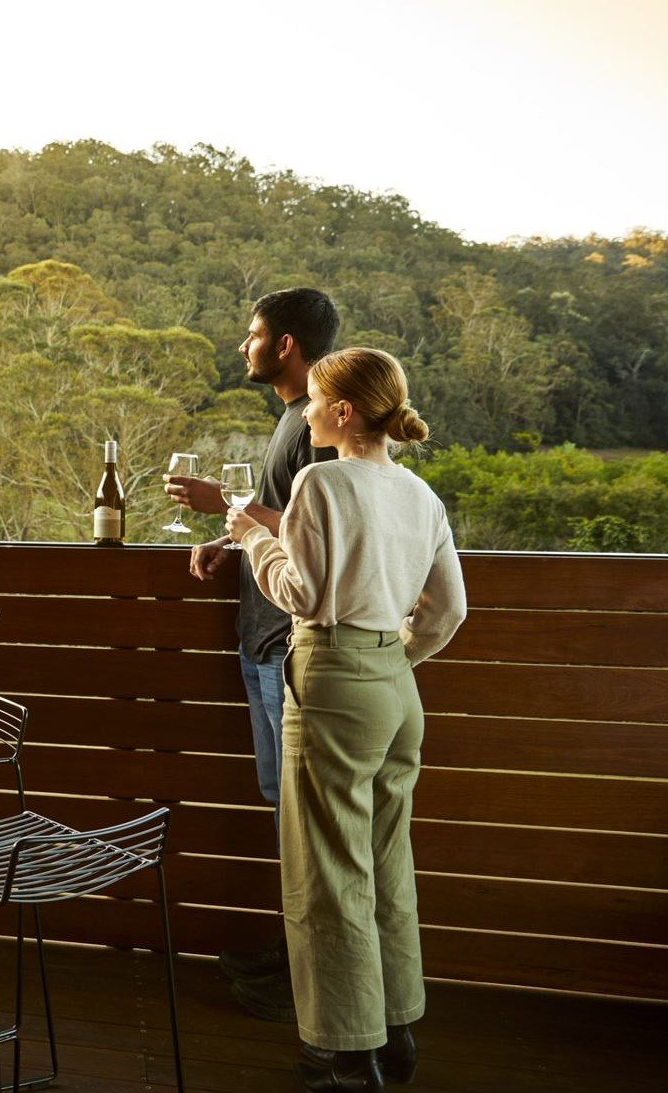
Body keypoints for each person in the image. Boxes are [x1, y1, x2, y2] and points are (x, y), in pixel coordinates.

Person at [225, 347, 466, 1092]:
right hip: (396, 689)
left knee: (326, 873)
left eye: (312, 401)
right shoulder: (419, 494)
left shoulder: (320, 480)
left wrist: (248, 535)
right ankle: (396, 1034)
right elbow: (450, 609)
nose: (302, 413)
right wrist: (394, 656)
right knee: (386, 864)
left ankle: (347, 1055)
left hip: (332, 679)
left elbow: (299, 592)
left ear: (342, 412)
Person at [167, 286, 339, 1020]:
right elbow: (282, 526)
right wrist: (230, 544)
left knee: (298, 818)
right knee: (283, 812)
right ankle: (294, 955)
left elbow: (322, 531)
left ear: (287, 345)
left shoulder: (319, 425)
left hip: (288, 646)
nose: (245, 345)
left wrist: (226, 508)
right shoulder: (290, 421)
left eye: (254, 333)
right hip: (264, 640)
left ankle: (309, 977)